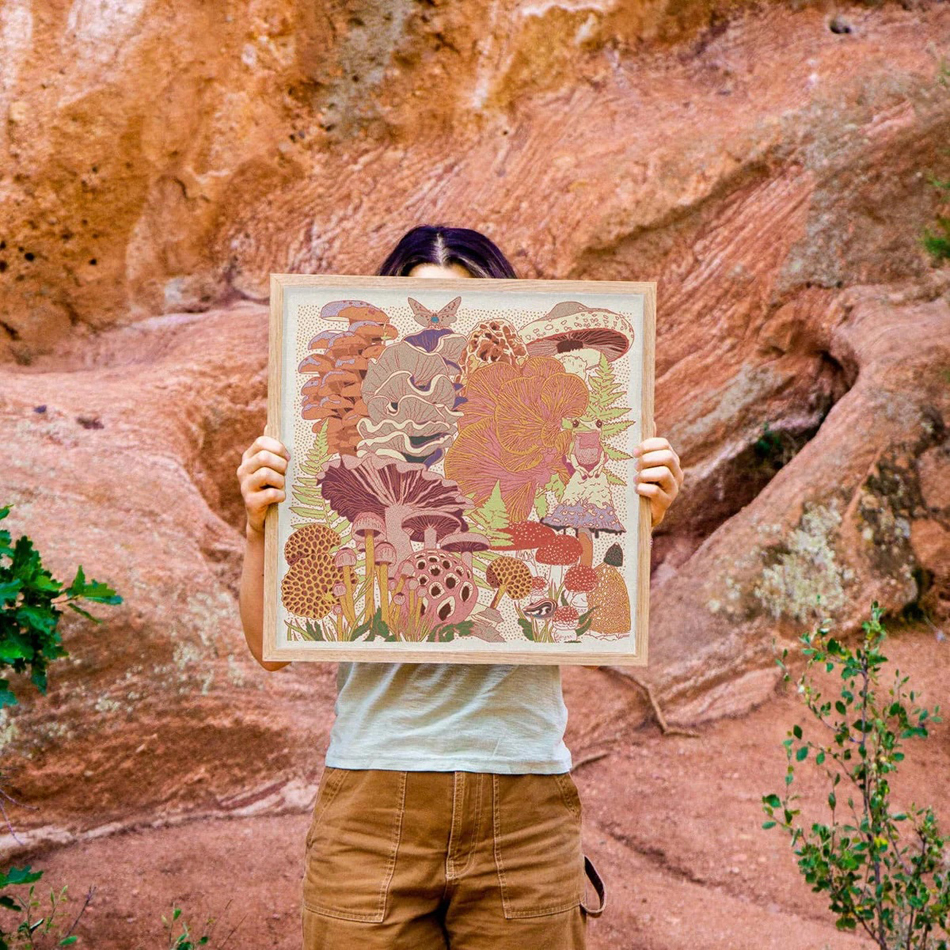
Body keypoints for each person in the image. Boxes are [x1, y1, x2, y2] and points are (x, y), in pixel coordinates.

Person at [236, 226, 685, 950]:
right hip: (374, 793)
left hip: (525, 796)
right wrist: (261, 525)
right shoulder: (332, 451)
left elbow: (584, 604)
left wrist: (635, 515)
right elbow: (270, 649)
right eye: (421, 315)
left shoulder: (549, 430)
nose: (443, 339)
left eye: (467, 321)